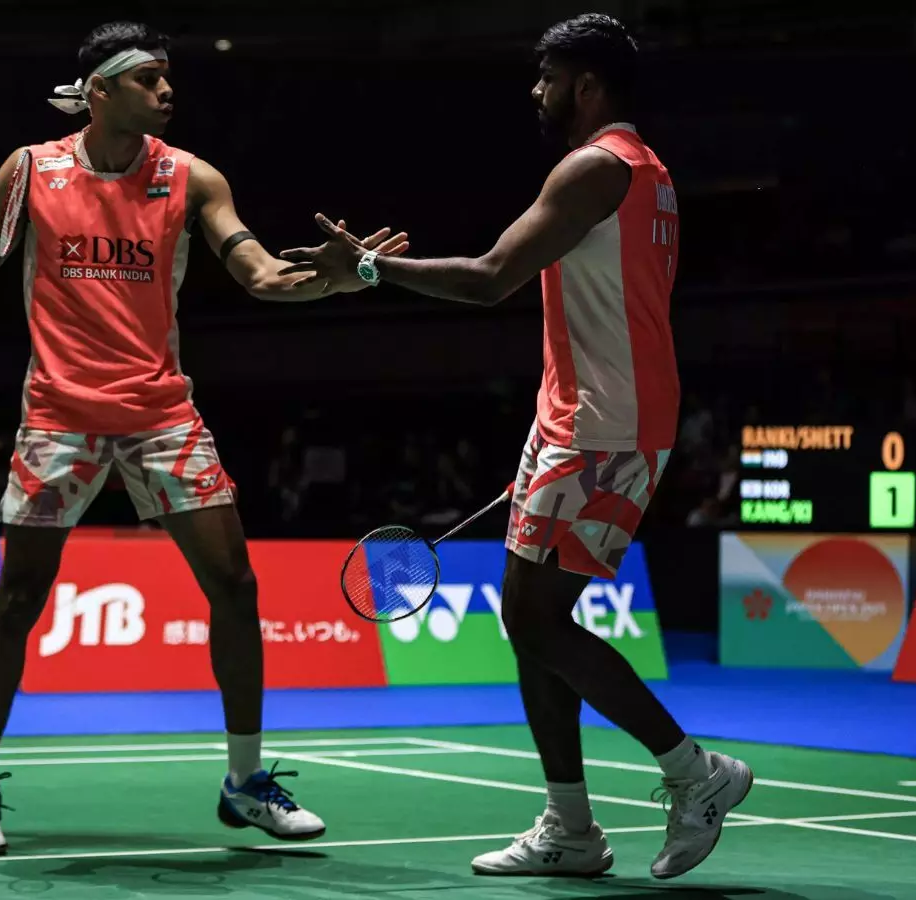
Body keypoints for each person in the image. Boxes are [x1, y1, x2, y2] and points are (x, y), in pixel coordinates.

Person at [279, 13, 752, 881]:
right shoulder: (648, 171)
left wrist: (369, 272)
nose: (536, 91)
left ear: (587, 85)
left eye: (547, 76)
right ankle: (570, 827)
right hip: (577, 416)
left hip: (605, 423)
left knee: (534, 618)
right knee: (528, 620)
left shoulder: (596, 167)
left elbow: (493, 276)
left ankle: (696, 773)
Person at [0, 21, 408, 856]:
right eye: (148, 78)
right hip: (60, 412)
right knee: (20, 599)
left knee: (235, 583)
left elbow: (260, 274)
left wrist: (335, 280)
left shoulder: (191, 178)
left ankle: (245, 782)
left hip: (160, 413)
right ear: (100, 90)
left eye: (167, 77)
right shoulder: (31, 169)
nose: (166, 90)